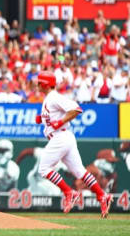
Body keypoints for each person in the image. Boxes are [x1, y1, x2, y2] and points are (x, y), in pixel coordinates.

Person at [35, 71, 113, 218]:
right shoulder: (49, 98)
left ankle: (68, 192)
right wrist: (42, 119)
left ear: (44, 84)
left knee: (44, 169)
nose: (37, 84)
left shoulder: (54, 97)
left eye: (39, 82)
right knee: (80, 172)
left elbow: (76, 109)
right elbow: (53, 116)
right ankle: (102, 196)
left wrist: (60, 122)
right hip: (65, 138)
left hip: (60, 138)